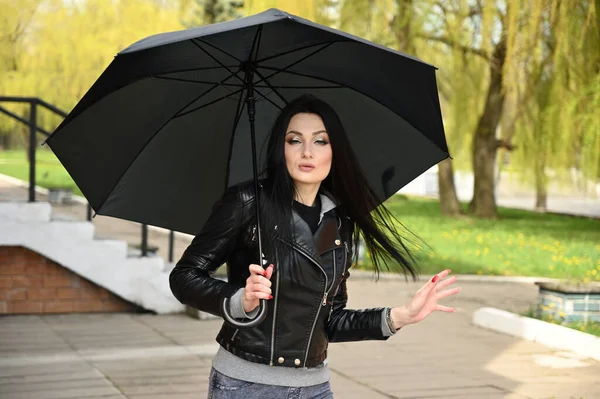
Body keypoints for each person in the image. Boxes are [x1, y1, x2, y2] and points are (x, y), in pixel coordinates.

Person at [169, 94, 460, 398]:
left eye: (320, 141)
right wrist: (240, 299)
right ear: (281, 149)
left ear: (336, 151)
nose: (307, 152)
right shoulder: (247, 203)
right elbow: (184, 277)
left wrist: (400, 316)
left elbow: (330, 321)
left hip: (314, 387)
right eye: (294, 140)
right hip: (245, 384)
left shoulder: (338, 221)